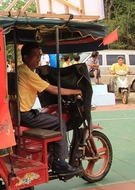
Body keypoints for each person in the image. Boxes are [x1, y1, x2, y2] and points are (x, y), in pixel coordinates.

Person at [17, 43, 85, 177]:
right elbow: (53, 89)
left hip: (21, 113)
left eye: (39, 55)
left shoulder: (21, 70)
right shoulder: (29, 75)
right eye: (35, 56)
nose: (38, 59)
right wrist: (76, 91)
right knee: (59, 123)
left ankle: (53, 154)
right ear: (26, 57)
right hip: (25, 115)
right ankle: (60, 162)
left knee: (49, 116)